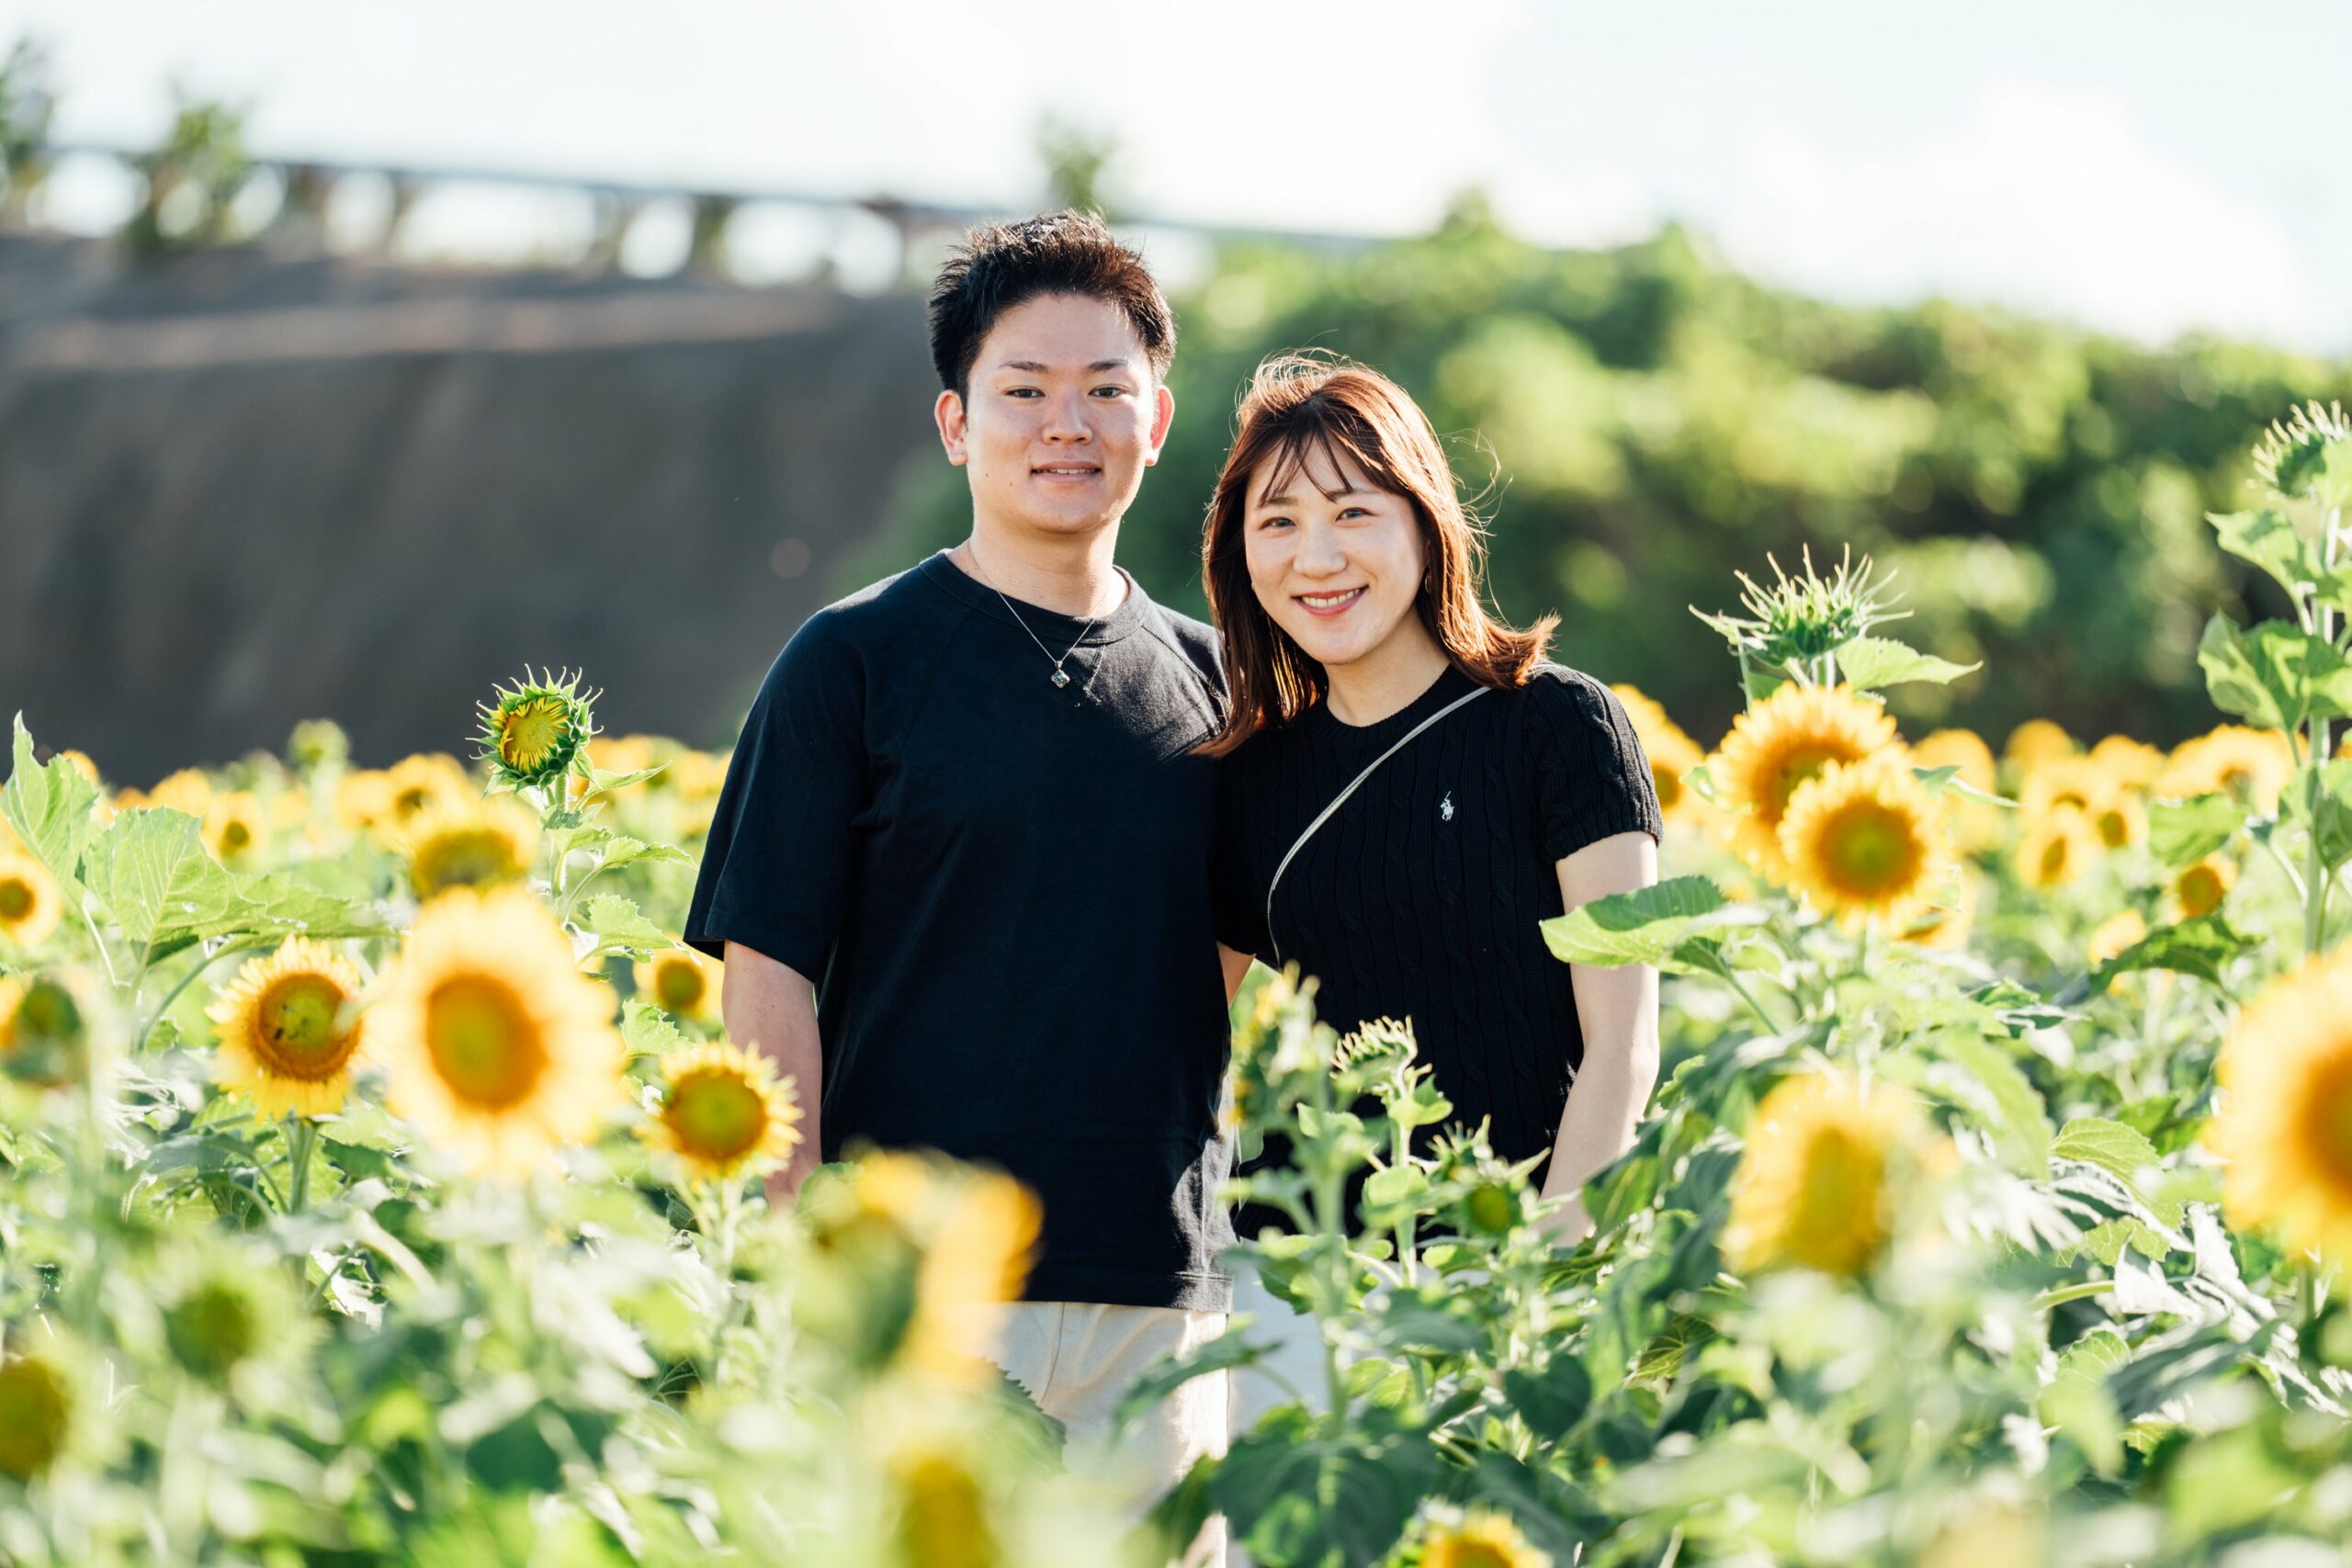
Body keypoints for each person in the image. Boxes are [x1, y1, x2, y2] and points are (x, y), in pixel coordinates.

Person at [684, 211, 1234, 1545]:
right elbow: (768, 975)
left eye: (1106, 389)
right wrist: (795, 1260)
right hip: (914, 1292)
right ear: (955, 423)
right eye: (1025, 390)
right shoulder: (852, 661)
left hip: (1154, 1294)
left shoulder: (1225, 684)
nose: (1069, 423)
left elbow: (1233, 967)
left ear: (1156, 422)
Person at [1204, 353, 1664, 1425]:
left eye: (1351, 512)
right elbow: (1185, 1033)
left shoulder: (1557, 725)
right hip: (1305, 1292)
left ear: (1424, 523)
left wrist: (1549, 1277)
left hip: (1517, 1274)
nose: (1316, 558)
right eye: (1276, 524)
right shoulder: (1247, 781)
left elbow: (1624, 1039)